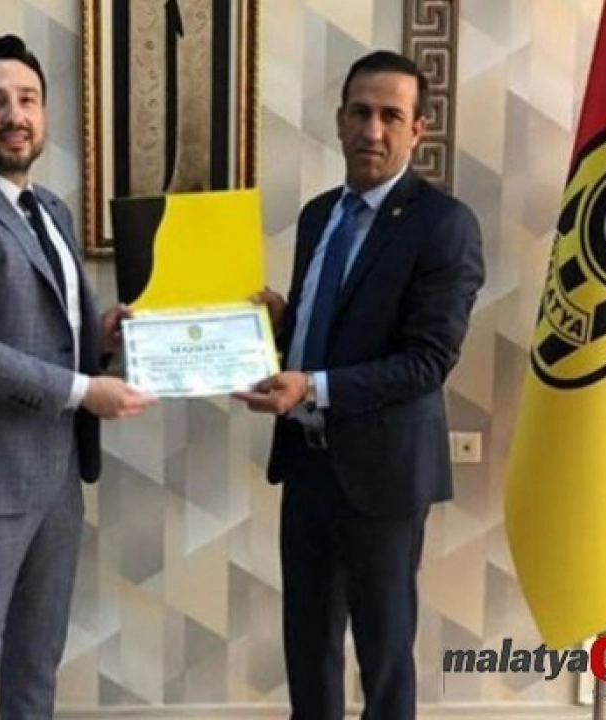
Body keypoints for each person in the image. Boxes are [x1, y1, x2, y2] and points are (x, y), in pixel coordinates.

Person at [0, 35, 154, 719]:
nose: (14, 115)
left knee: (37, 663)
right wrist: (84, 391)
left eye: (27, 99)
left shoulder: (51, 211)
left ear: (44, 114)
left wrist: (99, 342)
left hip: (57, 477)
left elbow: (46, 330)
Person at [235, 50, 485, 719]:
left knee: (383, 654)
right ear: (340, 118)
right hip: (306, 463)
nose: (372, 130)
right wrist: (284, 323)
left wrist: (312, 387)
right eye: (360, 112)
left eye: (390, 116)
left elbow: (427, 361)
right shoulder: (319, 215)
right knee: (308, 645)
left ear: (417, 129)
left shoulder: (445, 225)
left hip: (384, 475)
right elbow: (333, 328)